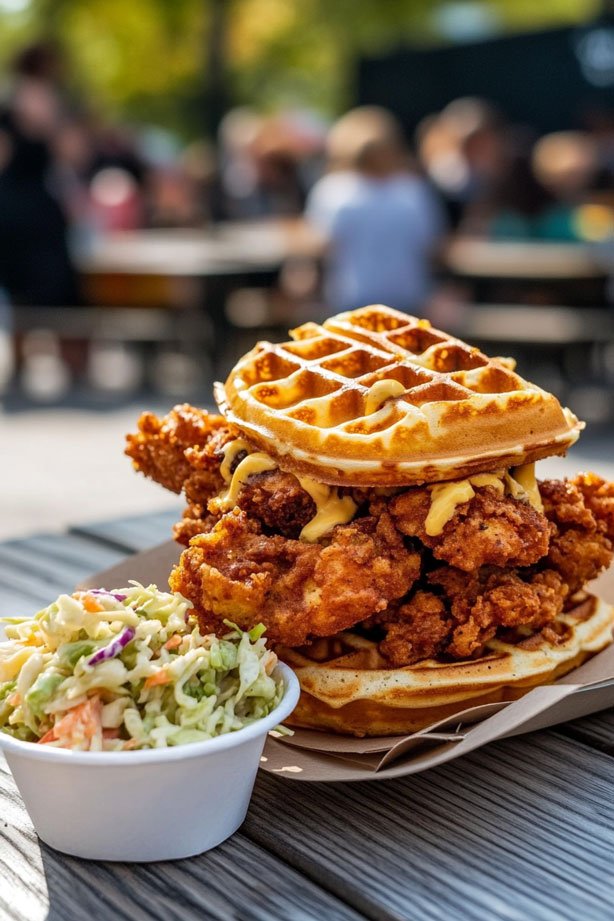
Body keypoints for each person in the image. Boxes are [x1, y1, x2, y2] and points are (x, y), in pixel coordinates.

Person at [305, 107, 444, 312]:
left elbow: (318, 244)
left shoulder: (333, 190)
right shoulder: (414, 190)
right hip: (404, 301)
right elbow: (433, 246)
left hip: (354, 302)